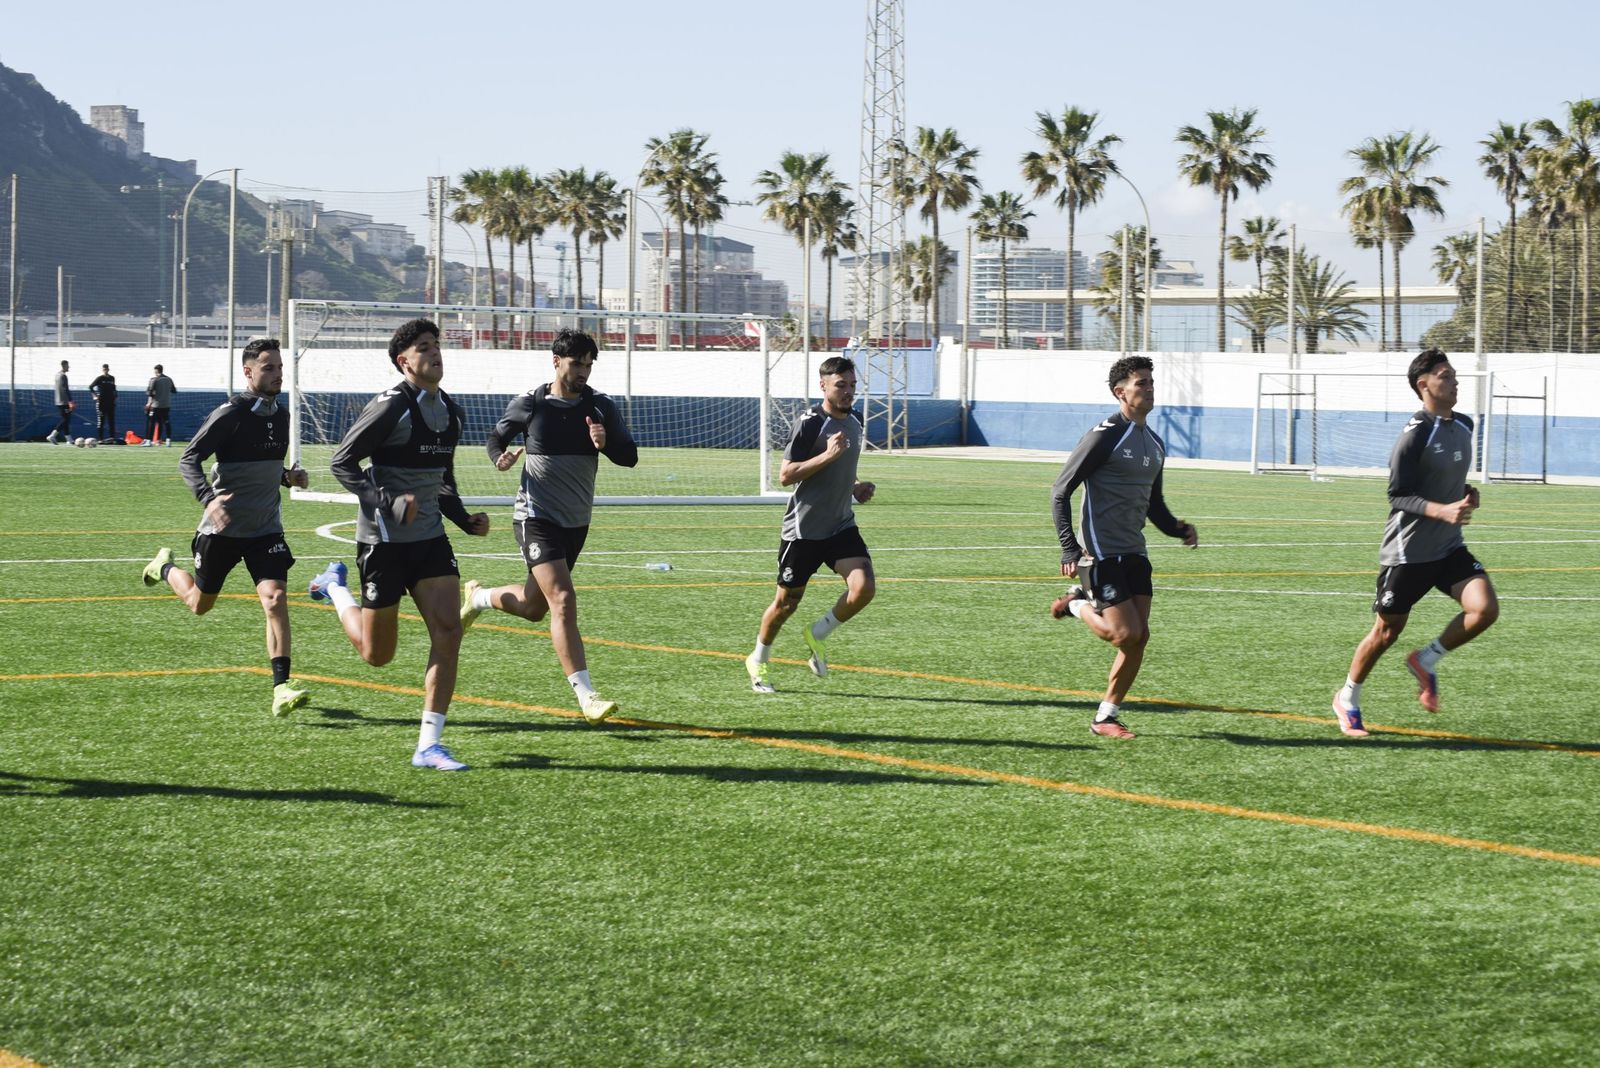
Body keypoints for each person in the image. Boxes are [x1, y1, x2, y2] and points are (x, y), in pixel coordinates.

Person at [306, 318, 490, 771]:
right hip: (383, 543)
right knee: (377, 655)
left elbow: (442, 479)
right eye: (423, 348)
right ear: (403, 361)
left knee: (448, 632)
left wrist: (464, 520)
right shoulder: (391, 407)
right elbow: (342, 462)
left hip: (429, 539)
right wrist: (386, 502)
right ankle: (335, 588)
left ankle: (429, 745)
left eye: (437, 345)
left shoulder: (451, 411)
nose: (434, 353)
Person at [460, 329, 639, 722]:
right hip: (535, 517)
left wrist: (605, 442)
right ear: (556, 361)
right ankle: (587, 695)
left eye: (589, 364)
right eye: (577, 364)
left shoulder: (601, 406)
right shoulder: (532, 402)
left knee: (533, 607)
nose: (584, 372)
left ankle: (478, 597)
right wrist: (499, 458)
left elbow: (630, 457)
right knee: (563, 599)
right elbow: (496, 437)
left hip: (577, 522)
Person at [1331, 349, 1499, 738]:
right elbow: (1398, 494)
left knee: (1485, 609)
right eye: (1446, 375)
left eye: (1454, 374)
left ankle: (1426, 660)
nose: (1455, 381)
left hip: (1449, 547)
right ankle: (1348, 698)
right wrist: (1442, 510)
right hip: (1408, 553)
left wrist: (1466, 493)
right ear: (1424, 384)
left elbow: (1448, 481)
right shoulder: (1415, 434)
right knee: (1386, 632)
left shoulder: (1465, 425)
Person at [141, 339, 311, 717]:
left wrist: (288, 477)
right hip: (222, 530)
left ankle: (281, 686)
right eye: (268, 368)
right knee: (199, 605)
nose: (277, 374)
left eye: (280, 367)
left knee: (276, 598)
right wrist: (208, 498)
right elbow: (190, 458)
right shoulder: (230, 414)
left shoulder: (281, 416)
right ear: (248, 372)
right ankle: (165, 567)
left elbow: (263, 467)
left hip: (265, 529)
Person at [1048, 355, 1198, 740]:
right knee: (1122, 634)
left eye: (1150, 382)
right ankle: (1078, 604)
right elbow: (1061, 490)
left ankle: (1106, 716)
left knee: (1139, 637)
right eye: (1141, 383)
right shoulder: (1105, 435)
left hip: (1135, 550)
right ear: (1120, 392)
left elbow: (1153, 503)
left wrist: (1177, 529)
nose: (1149, 388)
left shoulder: (1155, 443)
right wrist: (1070, 549)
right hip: (1099, 551)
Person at [744, 355, 877, 694]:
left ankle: (817, 634)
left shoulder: (857, 420)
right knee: (786, 603)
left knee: (863, 589)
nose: (848, 392)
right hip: (803, 531)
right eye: (840, 386)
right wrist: (827, 456)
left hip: (841, 525)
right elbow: (786, 475)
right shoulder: (810, 423)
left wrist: (855, 485)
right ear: (823, 386)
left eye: (852, 386)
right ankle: (758, 658)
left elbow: (841, 468)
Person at [145, 363, 177, 446]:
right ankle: (167, 440)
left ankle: (149, 441)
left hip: (156, 405)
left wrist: (149, 403)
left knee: (152, 422)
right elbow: (174, 390)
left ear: (156, 371)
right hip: (166, 405)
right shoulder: (169, 379)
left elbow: (150, 392)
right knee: (166, 422)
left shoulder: (154, 380)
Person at [46, 360, 73, 444]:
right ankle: (52, 435)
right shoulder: (63, 376)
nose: (69, 367)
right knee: (65, 420)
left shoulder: (57, 375)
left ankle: (69, 439)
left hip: (58, 401)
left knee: (66, 419)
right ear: (64, 365)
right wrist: (70, 401)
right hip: (64, 402)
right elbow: (65, 389)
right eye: (67, 365)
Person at [89, 363, 118, 440]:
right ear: (102, 370)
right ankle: (100, 439)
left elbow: (114, 388)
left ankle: (112, 438)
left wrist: (115, 396)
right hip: (102, 402)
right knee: (101, 421)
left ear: (108, 369)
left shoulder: (112, 378)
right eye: (104, 369)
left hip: (110, 403)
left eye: (106, 369)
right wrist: (95, 396)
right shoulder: (100, 378)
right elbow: (91, 387)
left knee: (111, 421)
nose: (105, 370)